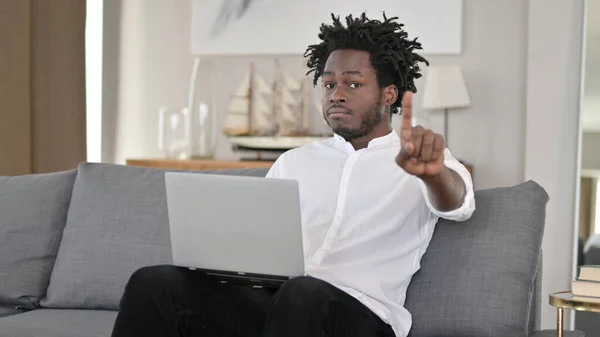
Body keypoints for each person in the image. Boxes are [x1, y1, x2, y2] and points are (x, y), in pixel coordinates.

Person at [111, 12, 475, 337]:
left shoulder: (422, 158)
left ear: (388, 94)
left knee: (303, 292)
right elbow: (260, 247)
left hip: (362, 317)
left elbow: (458, 203)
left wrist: (431, 175)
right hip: (281, 305)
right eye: (329, 84)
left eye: (353, 84)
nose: (337, 95)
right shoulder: (294, 161)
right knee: (155, 283)